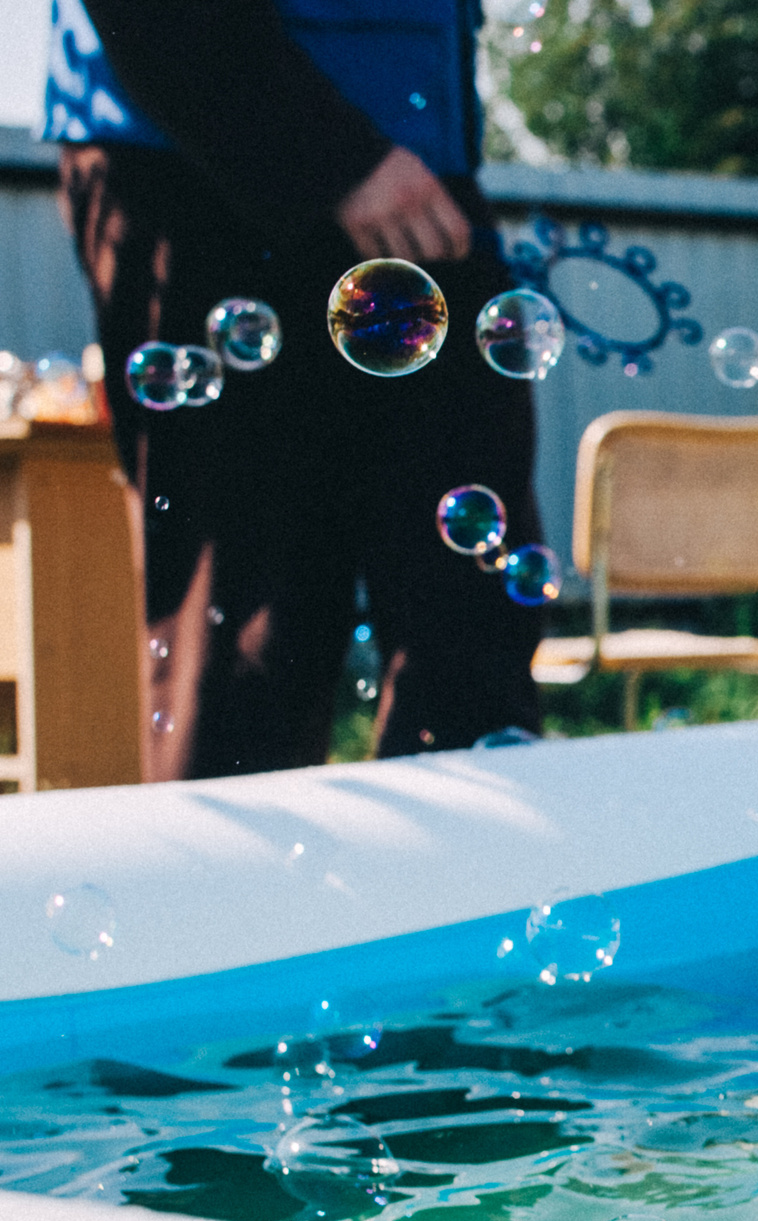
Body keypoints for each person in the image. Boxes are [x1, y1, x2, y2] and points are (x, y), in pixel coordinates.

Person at [44, 0, 545, 777]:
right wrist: (334, 155)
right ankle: (239, 861)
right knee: (247, 637)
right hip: (207, 156)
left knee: (467, 630)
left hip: (423, 171)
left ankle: (469, 854)